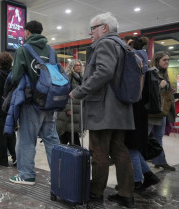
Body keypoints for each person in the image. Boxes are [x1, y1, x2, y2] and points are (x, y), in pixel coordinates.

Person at [70, 12, 135, 208]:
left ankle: (96, 191)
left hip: (103, 109)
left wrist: (80, 91)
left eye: (93, 28)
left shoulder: (105, 43)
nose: (91, 33)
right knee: (119, 151)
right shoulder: (122, 45)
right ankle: (126, 194)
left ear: (104, 28)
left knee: (98, 151)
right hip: (121, 109)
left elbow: (104, 72)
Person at [9, 20, 59, 186]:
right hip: (50, 101)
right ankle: (59, 176)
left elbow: (16, 76)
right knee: (51, 139)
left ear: (28, 32)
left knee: (27, 139)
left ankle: (26, 175)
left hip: (32, 101)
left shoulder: (23, 50)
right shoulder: (51, 50)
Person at [119, 35, 161, 192]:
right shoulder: (143, 62)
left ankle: (136, 181)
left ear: (128, 46)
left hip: (134, 110)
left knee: (131, 147)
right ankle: (148, 175)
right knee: (133, 147)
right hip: (141, 110)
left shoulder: (133, 62)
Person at [148, 51, 176, 171]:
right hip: (153, 111)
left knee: (159, 137)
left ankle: (159, 161)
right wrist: (160, 87)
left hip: (162, 111)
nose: (167, 62)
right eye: (164, 60)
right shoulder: (152, 73)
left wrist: (169, 89)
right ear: (157, 60)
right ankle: (139, 162)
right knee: (144, 137)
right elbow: (147, 92)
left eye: (168, 60)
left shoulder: (164, 74)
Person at [57, 60, 83, 146]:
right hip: (69, 110)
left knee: (70, 133)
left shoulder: (81, 78)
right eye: (76, 65)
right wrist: (67, 108)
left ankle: (63, 154)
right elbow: (64, 94)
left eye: (80, 65)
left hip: (77, 110)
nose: (78, 67)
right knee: (69, 133)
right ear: (72, 67)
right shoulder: (69, 77)